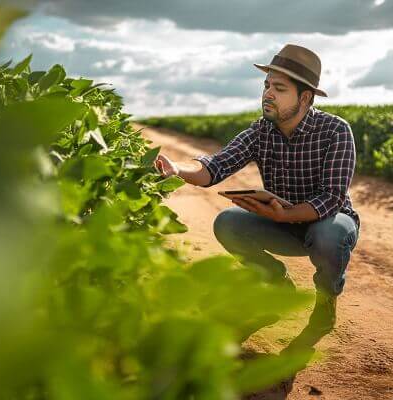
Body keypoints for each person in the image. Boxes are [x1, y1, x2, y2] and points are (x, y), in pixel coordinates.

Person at [154, 43, 360, 396]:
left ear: (305, 98)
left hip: (325, 220)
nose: (268, 94)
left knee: (329, 235)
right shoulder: (259, 132)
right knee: (228, 223)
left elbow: (332, 198)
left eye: (279, 89)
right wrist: (178, 168)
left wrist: (287, 213)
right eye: (267, 86)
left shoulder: (335, 131)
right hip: (281, 221)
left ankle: (325, 306)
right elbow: (214, 166)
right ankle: (276, 283)